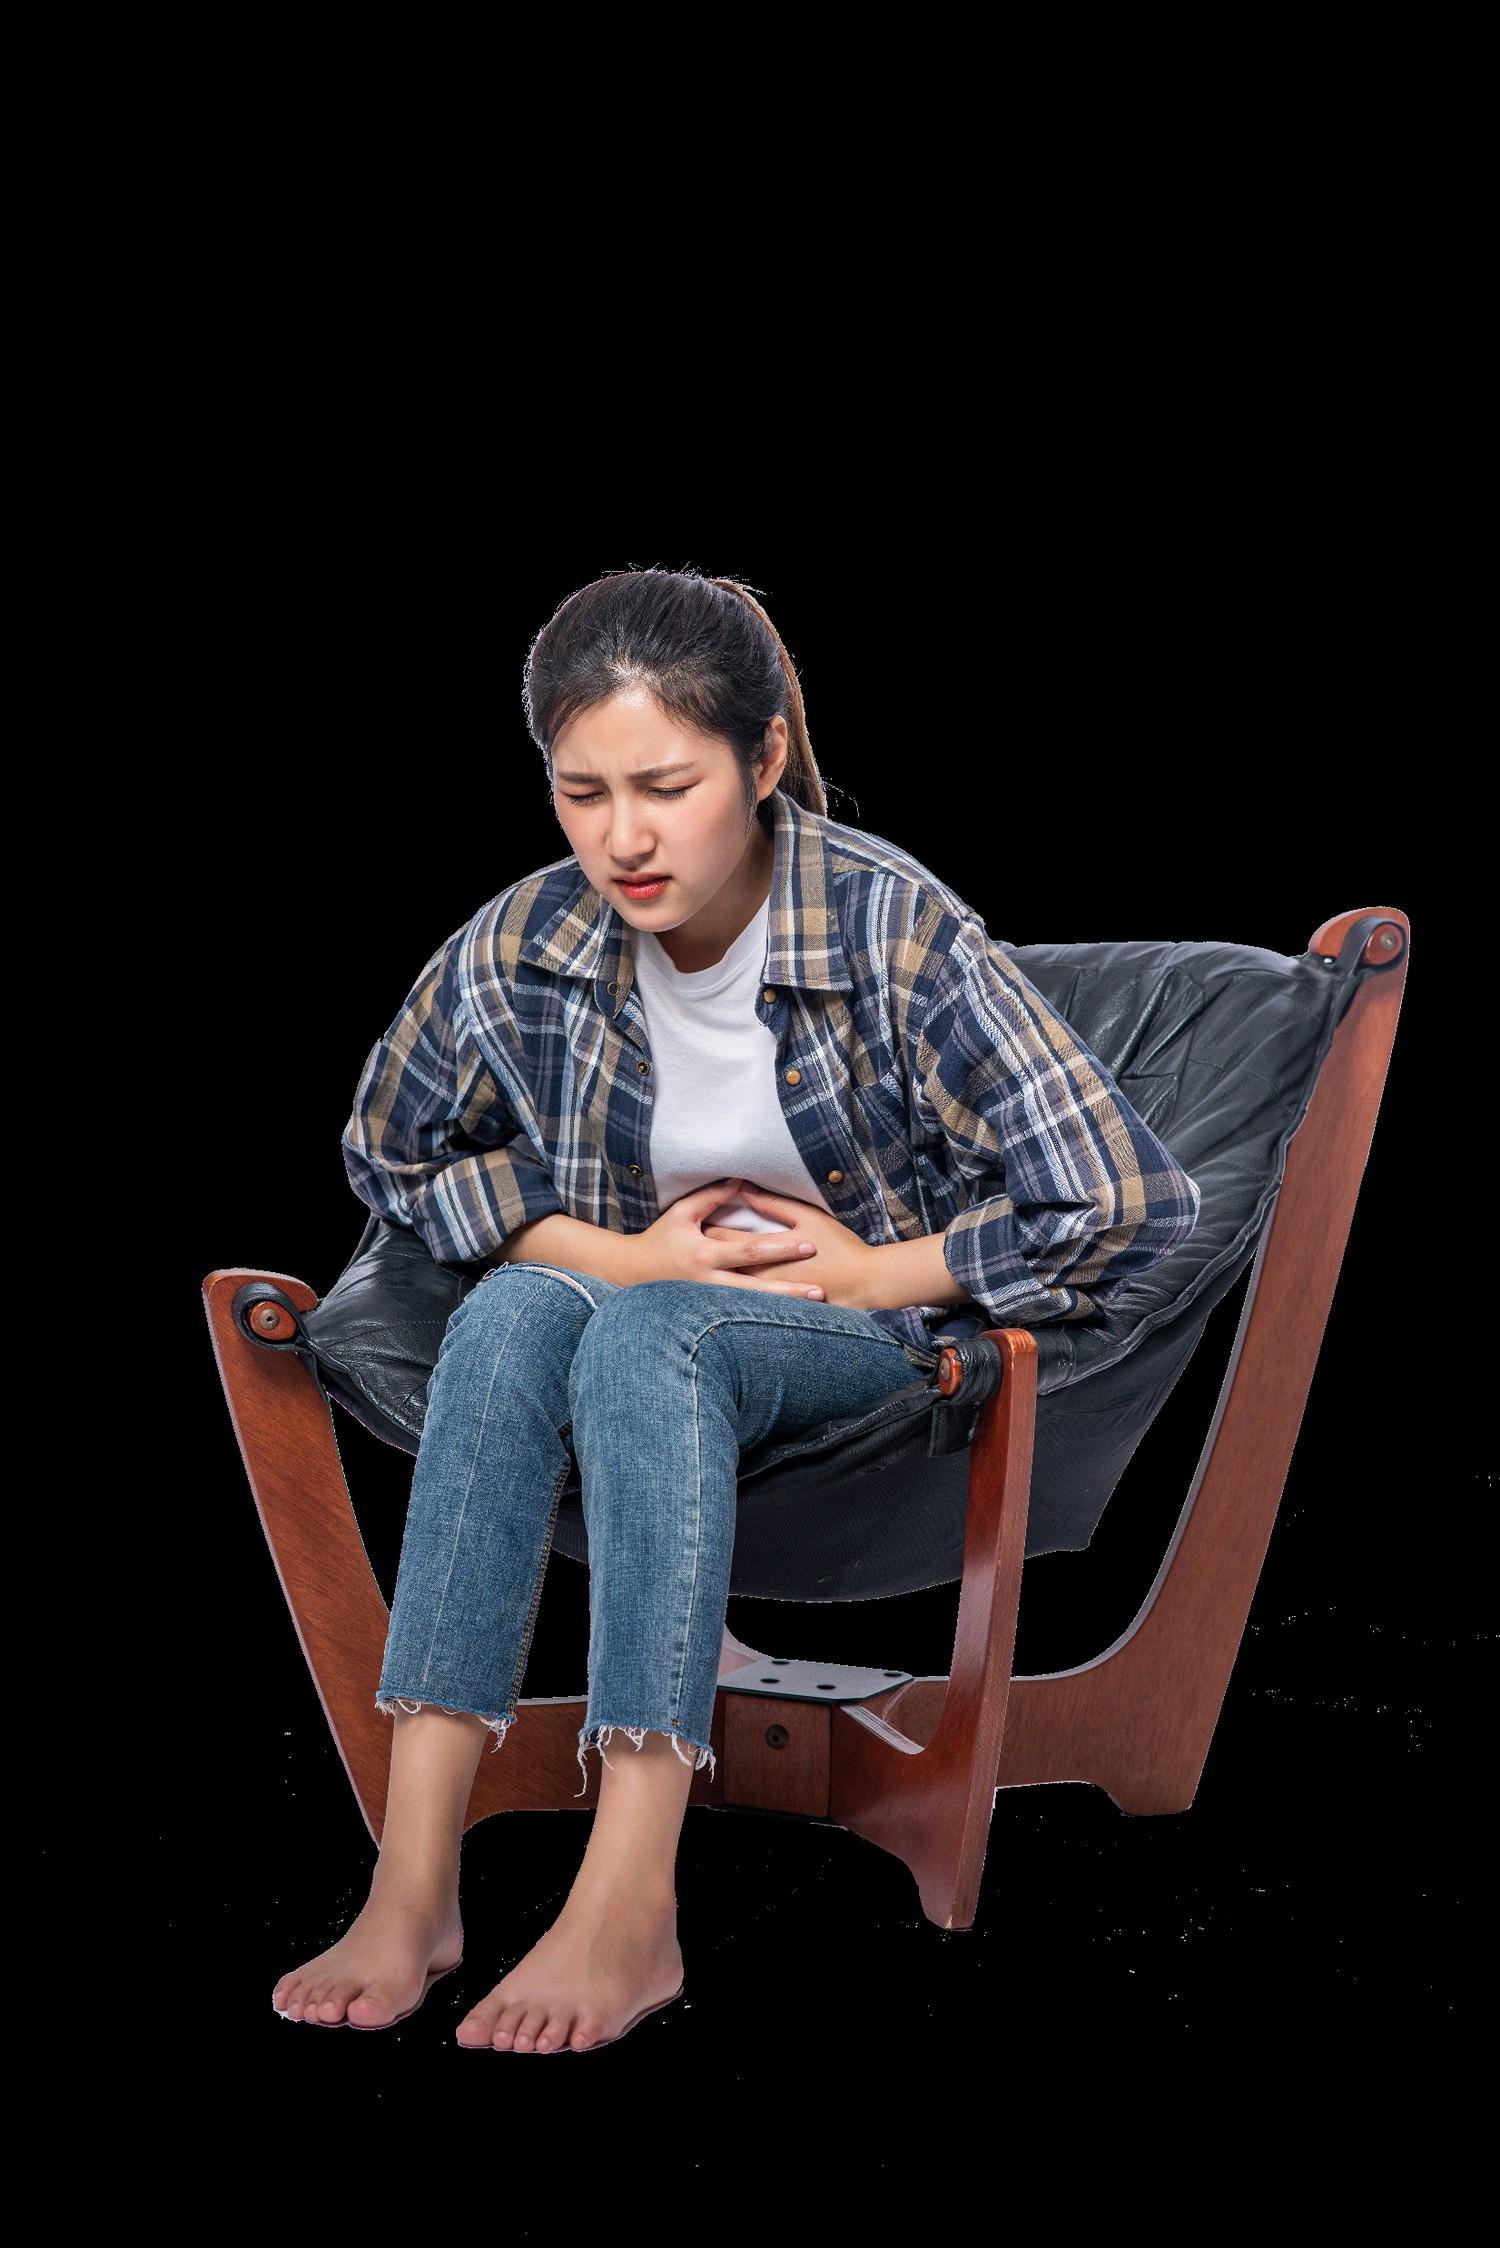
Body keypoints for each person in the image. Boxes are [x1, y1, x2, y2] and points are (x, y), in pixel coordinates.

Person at [270, 565, 1202, 2053]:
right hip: (639, 1311)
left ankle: (630, 1895)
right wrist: (615, 1250)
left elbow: (1129, 1201)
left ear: (763, 758)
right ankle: (413, 1879)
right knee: (514, 1316)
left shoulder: (890, 928)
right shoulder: (527, 944)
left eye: (667, 788)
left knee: (656, 1333)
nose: (622, 840)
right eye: (582, 793)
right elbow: (390, 1150)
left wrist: (873, 1273)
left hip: (869, 1344)